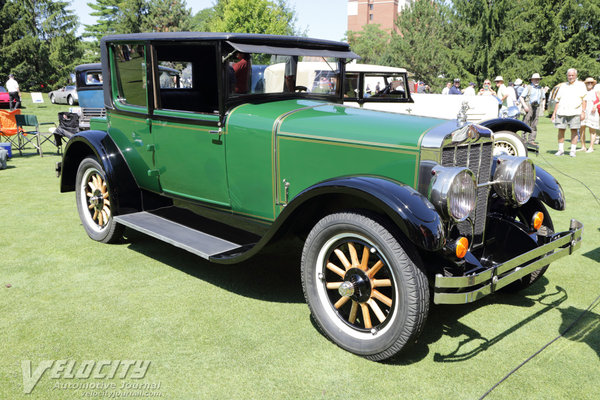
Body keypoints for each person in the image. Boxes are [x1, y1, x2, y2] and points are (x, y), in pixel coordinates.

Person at [551, 68, 587, 157]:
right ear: (567, 76)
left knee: (574, 131)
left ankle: (572, 150)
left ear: (576, 75)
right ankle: (560, 150)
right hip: (562, 112)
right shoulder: (563, 86)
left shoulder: (581, 85)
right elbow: (557, 100)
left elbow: (584, 99)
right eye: (569, 75)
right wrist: (554, 113)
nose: (570, 77)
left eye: (572, 75)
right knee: (561, 130)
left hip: (575, 112)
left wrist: (583, 111)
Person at [520, 73, 544, 144]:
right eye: (535, 79)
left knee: (534, 124)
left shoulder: (541, 88)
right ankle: (523, 140)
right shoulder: (528, 87)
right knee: (526, 123)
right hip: (529, 105)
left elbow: (543, 98)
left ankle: (531, 140)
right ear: (532, 80)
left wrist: (543, 107)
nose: (537, 81)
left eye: (538, 79)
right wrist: (525, 106)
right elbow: (521, 97)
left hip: (537, 106)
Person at [580, 77, 599, 152]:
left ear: (593, 84)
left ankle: (591, 147)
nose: (590, 84)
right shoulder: (583, 92)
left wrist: (595, 105)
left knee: (592, 130)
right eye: (588, 83)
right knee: (582, 129)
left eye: (591, 83)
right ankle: (583, 146)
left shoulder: (596, 92)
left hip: (592, 112)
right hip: (584, 111)